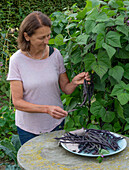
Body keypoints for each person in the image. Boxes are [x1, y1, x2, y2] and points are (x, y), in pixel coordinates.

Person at [7, 11, 90, 145]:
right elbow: (17, 102)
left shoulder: (55, 55)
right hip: (29, 129)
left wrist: (74, 82)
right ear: (27, 36)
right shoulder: (16, 60)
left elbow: (66, 89)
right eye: (41, 38)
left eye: (48, 35)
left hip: (56, 124)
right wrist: (46, 109)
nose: (47, 41)